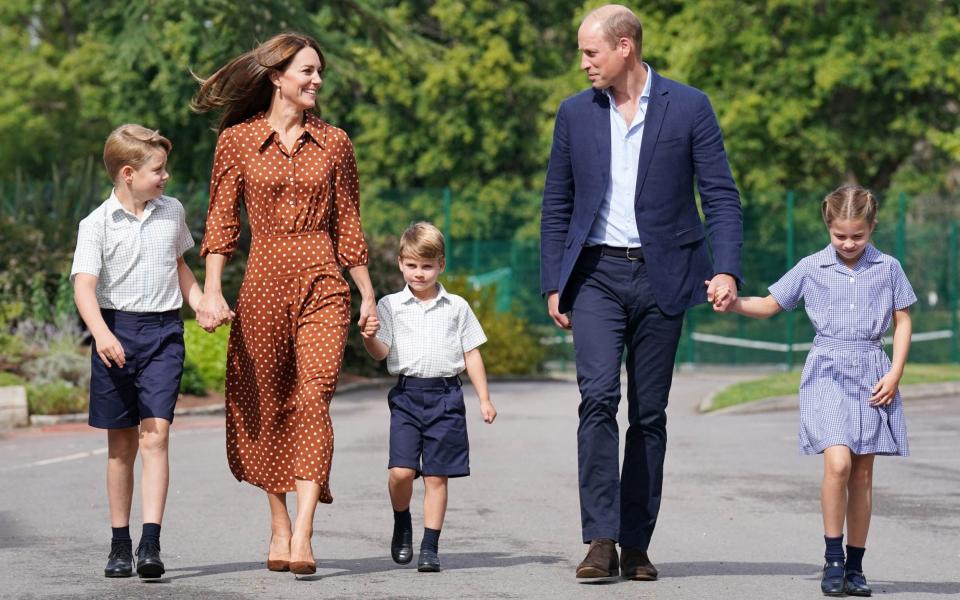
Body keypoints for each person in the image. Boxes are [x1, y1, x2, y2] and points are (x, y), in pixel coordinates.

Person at [540, 4, 744, 581]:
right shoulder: (574, 114)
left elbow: (721, 196)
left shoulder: (690, 106)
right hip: (597, 276)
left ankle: (637, 543)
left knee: (648, 414)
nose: (583, 63)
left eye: (590, 52)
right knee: (598, 399)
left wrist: (726, 269)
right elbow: (556, 204)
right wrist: (555, 280)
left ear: (624, 47)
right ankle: (601, 541)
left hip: (665, 276)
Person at [191, 32, 378, 575]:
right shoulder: (237, 142)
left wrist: (366, 292)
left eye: (319, 72)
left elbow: (349, 224)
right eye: (307, 71)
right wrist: (211, 290)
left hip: (323, 280)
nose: (317, 80)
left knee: (314, 397)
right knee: (267, 401)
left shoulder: (336, 141)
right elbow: (221, 224)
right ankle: (277, 524)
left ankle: (303, 533)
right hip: (264, 281)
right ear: (277, 77)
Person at [716, 185, 914, 597]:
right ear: (828, 227)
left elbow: (903, 321)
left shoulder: (888, 267)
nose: (848, 243)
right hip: (826, 369)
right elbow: (770, 304)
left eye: (857, 236)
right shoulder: (812, 266)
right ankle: (833, 559)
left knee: (861, 473)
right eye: (840, 235)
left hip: (873, 371)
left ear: (871, 227)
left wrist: (895, 373)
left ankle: (856, 567)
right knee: (838, 462)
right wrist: (733, 302)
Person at [72, 124, 202, 579]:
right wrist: (101, 334)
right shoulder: (96, 225)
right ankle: (119, 543)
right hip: (115, 333)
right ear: (129, 173)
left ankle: (150, 542)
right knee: (121, 444)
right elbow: (84, 288)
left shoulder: (172, 212)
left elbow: (180, 265)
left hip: (164, 332)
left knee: (157, 434)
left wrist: (200, 302)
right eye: (158, 170)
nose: (165, 177)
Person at [362, 222, 497, 572]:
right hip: (408, 396)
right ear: (400, 263)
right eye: (411, 265)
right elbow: (380, 353)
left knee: (437, 476)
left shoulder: (457, 307)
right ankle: (402, 520)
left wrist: (484, 398)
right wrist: (368, 337)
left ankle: (430, 547)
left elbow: (472, 354)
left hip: (446, 396)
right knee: (401, 472)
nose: (419, 273)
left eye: (426, 266)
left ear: (441, 265)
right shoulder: (390, 306)